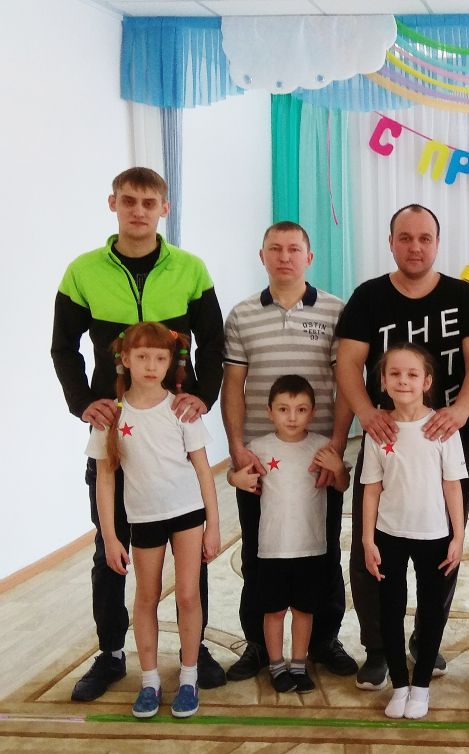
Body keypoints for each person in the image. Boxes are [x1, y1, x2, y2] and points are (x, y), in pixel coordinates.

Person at [52, 167, 225, 702]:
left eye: (149, 203)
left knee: (190, 554)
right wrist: (83, 403)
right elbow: (63, 348)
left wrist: (204, 395)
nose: (139, 211)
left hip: (172, 436)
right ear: (113, 204)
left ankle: (195, 651)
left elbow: (214, 343)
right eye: (129, 201)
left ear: (163, 209)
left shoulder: (190, 269)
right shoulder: (83, 272)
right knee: (110, 548)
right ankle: (111, 652)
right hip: (117, 434)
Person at [337, 204, 469, 689]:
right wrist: (366, 413)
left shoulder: (464, 296)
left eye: (425, 238)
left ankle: (427, 640)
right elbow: (348, 364)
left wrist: (461, 411)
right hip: (386, 436)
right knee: (372, 543)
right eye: (405, 237)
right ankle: (378, 648)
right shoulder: (368, 297)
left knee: (443, 543)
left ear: (437, 243)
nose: (415, 247)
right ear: (391, 242)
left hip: (447, 437)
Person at [222, 221, 357, 683]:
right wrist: (237, 449)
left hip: (318, 458)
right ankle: (259, 645)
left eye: (294, 249)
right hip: (261, 461)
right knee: (259, 554)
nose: (285, 257)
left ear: (309, 257)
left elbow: (345, 383)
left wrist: (336, 446)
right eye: (275, 249)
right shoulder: (242, 315)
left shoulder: (336, 310)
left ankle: (325, 640)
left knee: (324, 554)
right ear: (262, 256)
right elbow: (233, 386)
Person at [88, 322, 220, 719]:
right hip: (143, 519)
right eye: (142, 356)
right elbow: (105, 480)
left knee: (188, 596)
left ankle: (189, 677)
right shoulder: (112, 415)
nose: (151, 365)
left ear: (170, 363)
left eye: (160, 358)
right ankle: (149, 682)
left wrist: (213, 525)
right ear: (125, 359)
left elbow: (203, 470)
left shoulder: (182, 410)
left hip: (187, 515)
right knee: (146, 598)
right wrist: (111, 537)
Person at [361, 344, 467, 720]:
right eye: (394, 374)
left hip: (434, 534)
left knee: (431, 610)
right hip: (389, 533)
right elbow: (371, 489)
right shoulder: (379, 431)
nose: (403, 381)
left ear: (427, 381)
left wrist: (458, 536)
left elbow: (452, 485)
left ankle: (421, 686)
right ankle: (399, 686)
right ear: (383, 381)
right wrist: (367, 539)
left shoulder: (442, 429)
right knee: (390, 610)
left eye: (412, 374)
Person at [228, 375, 350, 694]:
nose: (292, 417)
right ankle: (276, 665)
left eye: (301, 409)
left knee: (304, 610)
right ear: (270, 412)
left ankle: (298, 664)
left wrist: (338, 468)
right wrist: (234, 479)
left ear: (312, 412)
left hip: (311, 548)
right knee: (274, 611)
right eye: (283, 409)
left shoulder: (322, 446)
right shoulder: (259, 447)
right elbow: (235, 474)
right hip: (272, 549)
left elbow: (341, 484)